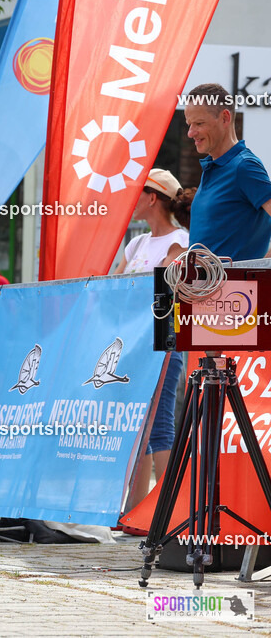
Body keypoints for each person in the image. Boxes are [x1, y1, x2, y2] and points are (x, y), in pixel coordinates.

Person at [114, 169, 193, 512]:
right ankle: (136, 512)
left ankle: (168, 514)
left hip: (162, 339)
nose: (129, 199)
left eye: (136, 192)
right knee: (137, 427)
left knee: (159, 424)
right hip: (132, 342)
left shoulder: (182, 240)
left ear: (152, 198)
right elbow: (113, 287)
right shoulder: (137, 243)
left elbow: (165, 294)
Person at [184, 83, 271, 260]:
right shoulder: (213, 167)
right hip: (203, 286)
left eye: (199, 123)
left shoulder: (244, 166)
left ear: (225, 118)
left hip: (232, 287)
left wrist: (262, 268)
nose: (190, 133)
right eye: (189, 124)